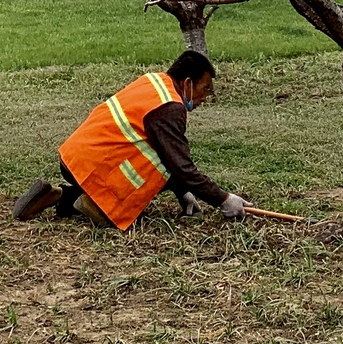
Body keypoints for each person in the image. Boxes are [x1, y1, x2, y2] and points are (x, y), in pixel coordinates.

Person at [13, 50, 247, 229]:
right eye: (205, 89)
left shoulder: (153, 82)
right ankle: (100, 207)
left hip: (73, 159)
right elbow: (180, 165)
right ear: (187, 83)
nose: (205, 97)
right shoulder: (170, 107)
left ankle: (60, 195)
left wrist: (182, 192)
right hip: (94, 167)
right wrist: (223, 200)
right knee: (157, 167)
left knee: (160, 158)